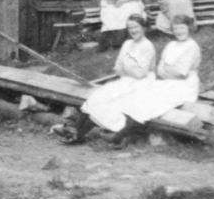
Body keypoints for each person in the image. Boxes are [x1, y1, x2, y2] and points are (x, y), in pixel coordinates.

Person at [75, 15, 201, 146]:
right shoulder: (171, 45)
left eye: (182, 28)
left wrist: (168, 69)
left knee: (151, 104)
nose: (179, 31)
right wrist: (169, 69)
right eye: (176, 28)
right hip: (167, 83)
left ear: (189, 28)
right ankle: (116, 135)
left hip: (184, 87)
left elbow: (181, 73)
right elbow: (160, 70)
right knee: (138, 99)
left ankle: (118, 137)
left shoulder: (192, 47)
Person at [61, 14, 155, 144]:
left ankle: (79, 134)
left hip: (141, 84)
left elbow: (140, 74)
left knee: (111, 101)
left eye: (136, 27)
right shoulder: (127, 44)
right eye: (130, 28)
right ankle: (76, 130)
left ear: (143, 28)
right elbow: (117, 67)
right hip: (126, 80)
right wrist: (126, 69)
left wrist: (125, 68)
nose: (133, 30)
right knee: (98, 96)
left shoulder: (147, 46)